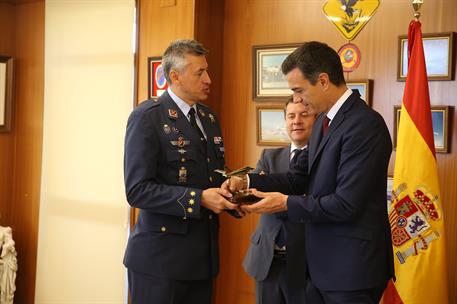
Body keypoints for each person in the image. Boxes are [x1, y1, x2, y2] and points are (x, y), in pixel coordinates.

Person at [227, 41, 394, 303]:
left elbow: (346, 204)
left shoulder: (365, 126)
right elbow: (296, 178)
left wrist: (284, 203)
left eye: (298, 89)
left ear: (324, 81)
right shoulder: (323, 124)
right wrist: (245, 181)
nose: (297, 99)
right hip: (320, 269)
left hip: (352, 271)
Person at [123, 39, 238, 304]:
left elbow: (213, 177)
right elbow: (137, 190)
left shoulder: (209, 118)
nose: (208, 79)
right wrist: (199, 199)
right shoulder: (148, 117)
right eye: (200, 73)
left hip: (202, 260)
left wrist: (232, 196)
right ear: (175, 76)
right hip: (160, 263)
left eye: (207, 71)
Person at [243, 97, 315, 304]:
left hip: (305, 264)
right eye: (291, 116)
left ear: (316, 119)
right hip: (267, 261)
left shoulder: (322, 160)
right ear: (285, 120)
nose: (297, 121)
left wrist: (279, 199)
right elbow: (252, 196)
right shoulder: (270, 157)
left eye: (304, 115)